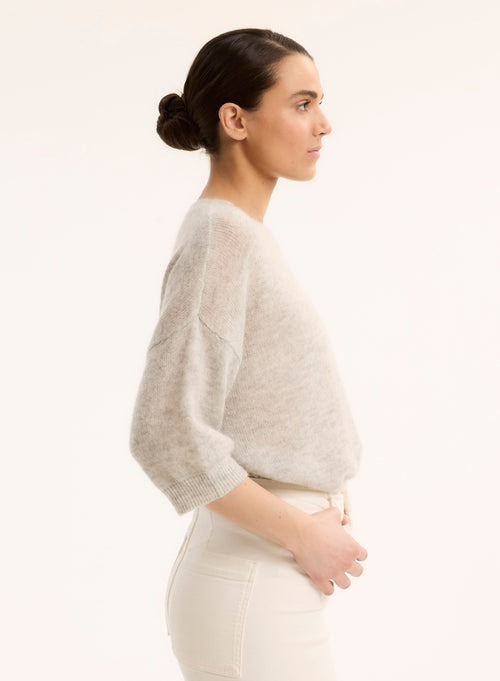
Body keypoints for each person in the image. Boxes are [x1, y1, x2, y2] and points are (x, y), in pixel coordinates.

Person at [129, 27, 368, 681]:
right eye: (302, 103)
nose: (323, 123)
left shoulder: (240, 236)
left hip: (267, 577)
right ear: (235, 119)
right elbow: (165, 431)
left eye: (319, 103)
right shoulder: (221, 237)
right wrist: (303, 531)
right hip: (254, 580)